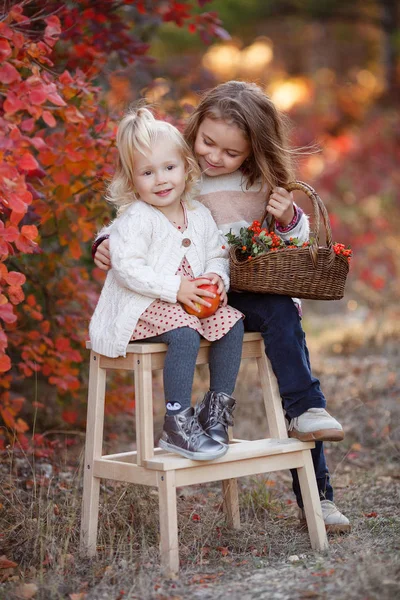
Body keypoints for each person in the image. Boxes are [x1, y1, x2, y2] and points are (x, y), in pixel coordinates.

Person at [92, 82, 350, 532]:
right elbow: (134, 214)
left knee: (285, 327)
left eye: (230, 152)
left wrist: (288, 217)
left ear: (252, 150)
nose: (214, 157)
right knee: (268, 323)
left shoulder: (263, 182)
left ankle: (317, 483)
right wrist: (102, 242)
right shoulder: (179, 166)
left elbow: (296, 243)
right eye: (207, 142)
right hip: (188, 296)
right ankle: (195, 417)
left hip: (243, 290)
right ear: (195, 131)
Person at [89, 107, 245, 462]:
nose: (160, 180)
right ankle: (176, 419)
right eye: (147, 172)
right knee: (185, 331)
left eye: (168, 168)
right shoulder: (137, 218)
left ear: (186, 168)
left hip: (189, 303)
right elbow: (127, 268)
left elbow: (218, 254)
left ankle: (216, 410)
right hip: (143, 307)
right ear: (132, 181)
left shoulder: (199, 215)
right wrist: (176, 289)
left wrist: (217, 278)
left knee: (232, 323)